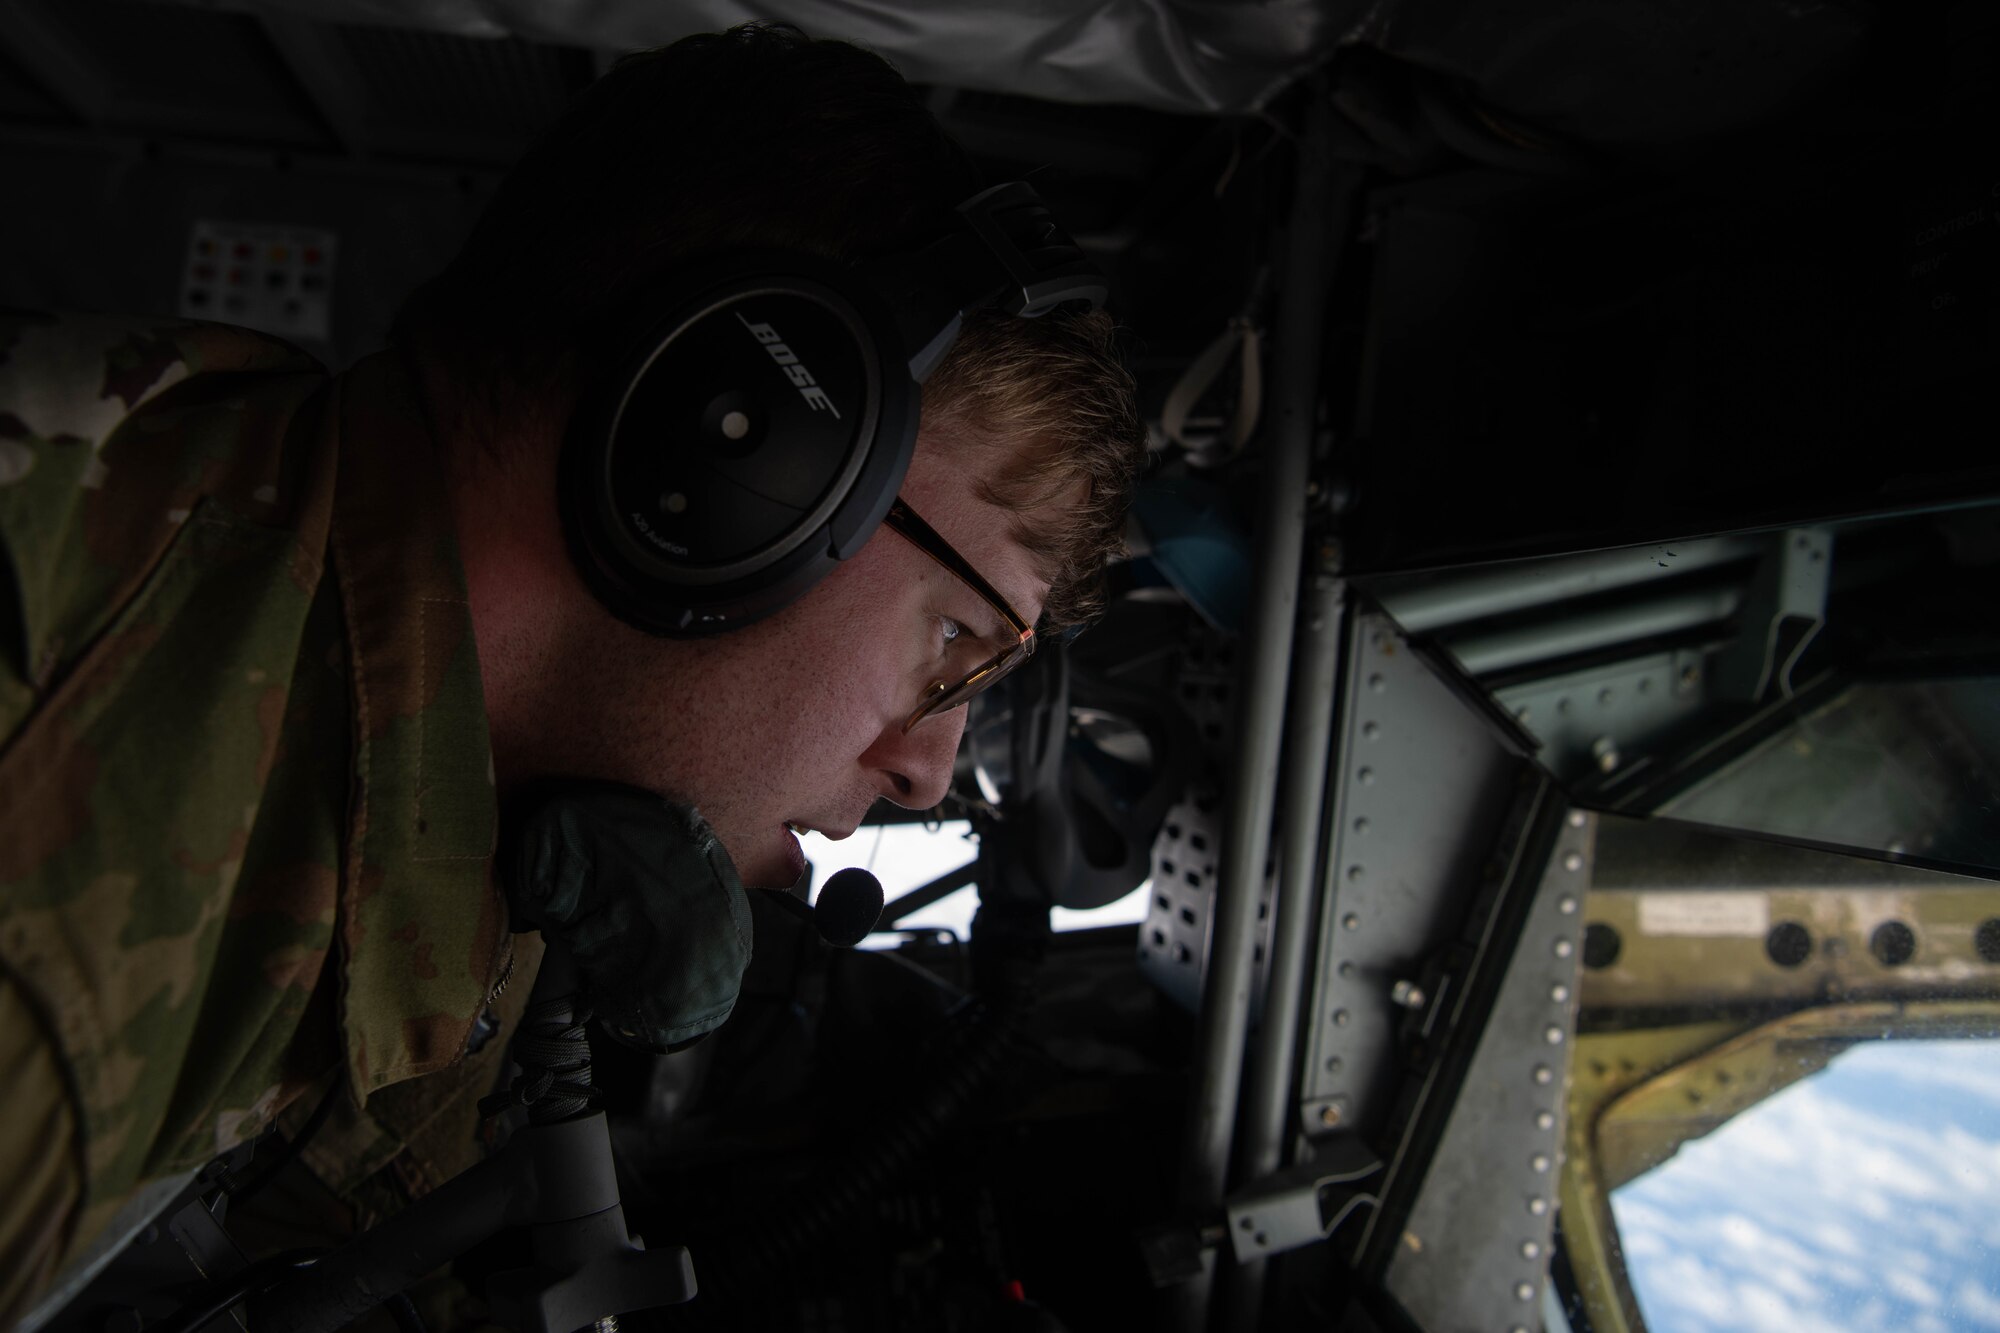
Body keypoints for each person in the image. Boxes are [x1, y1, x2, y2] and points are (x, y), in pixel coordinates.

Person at [0, 23, 1143, 1328]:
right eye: (956, 642)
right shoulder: (64, 860)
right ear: (742, 453)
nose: (929, 769)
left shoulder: (440, 768)